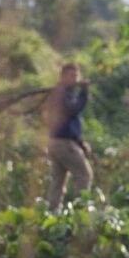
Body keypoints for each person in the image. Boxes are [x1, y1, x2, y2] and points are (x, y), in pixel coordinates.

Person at [45, 63, 92, 210]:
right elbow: (73, 110)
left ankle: (53, 211)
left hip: (56, 142)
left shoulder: (63, 93)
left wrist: (80, 142)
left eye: (76, 76)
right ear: (63, 77)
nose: (75, 79)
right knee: (84, 175)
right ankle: (80, 211)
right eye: (71, 76)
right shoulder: (60, 93)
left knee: (58, 180)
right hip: (63, 143)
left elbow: (69, 123)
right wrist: (84, 93)